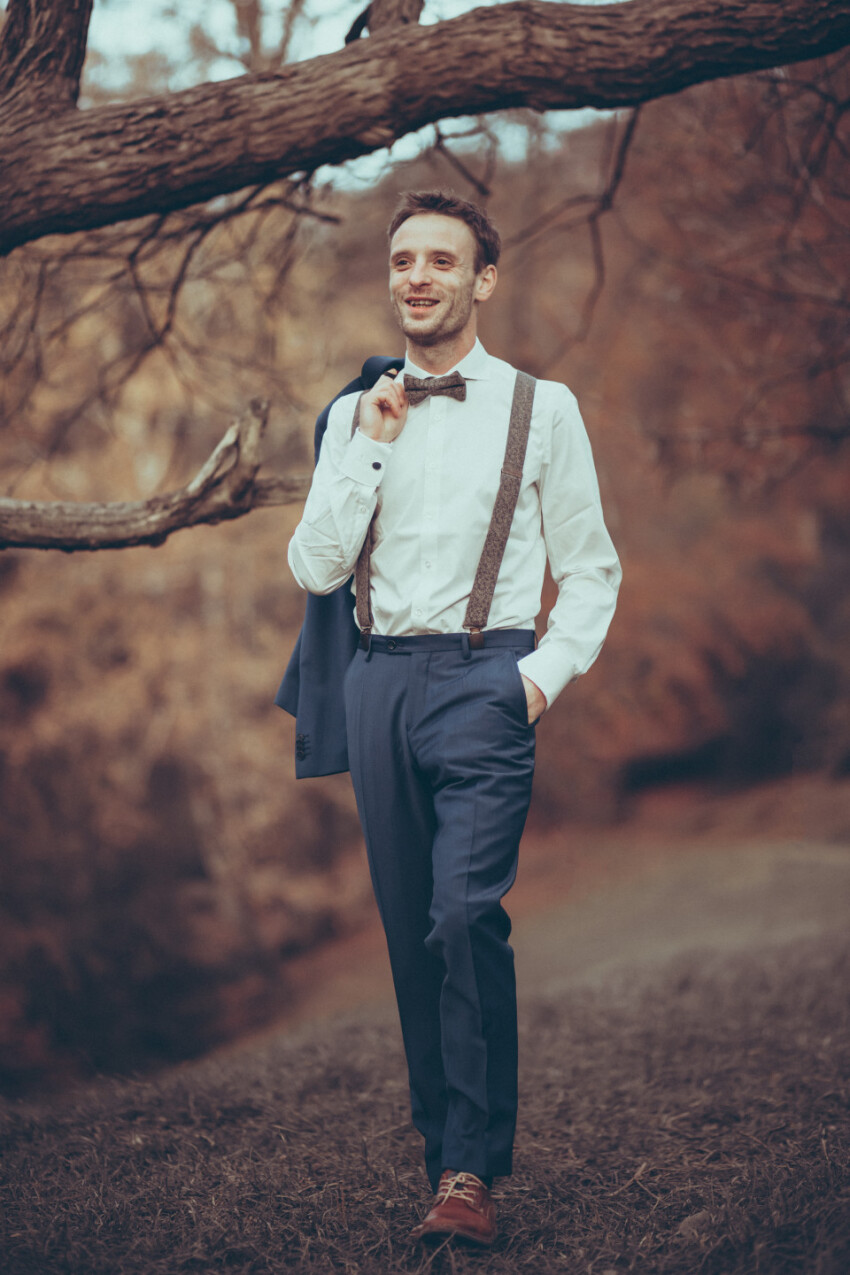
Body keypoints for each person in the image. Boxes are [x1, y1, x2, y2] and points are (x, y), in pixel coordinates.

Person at [286, 189, 621, 1246]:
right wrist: (371, 447)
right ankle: (443, 1155)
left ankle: (471, 1172)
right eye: (402, 261)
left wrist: (535, 680)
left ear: (481, 279)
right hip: (378, 685)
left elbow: (593, 570)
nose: (416, 276)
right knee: (407, 937)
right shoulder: (352, 414)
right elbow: (314, 565)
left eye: (441, 259)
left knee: (462, 916)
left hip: (487, 684)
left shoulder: (543, 408)